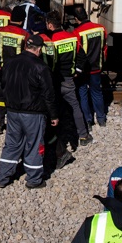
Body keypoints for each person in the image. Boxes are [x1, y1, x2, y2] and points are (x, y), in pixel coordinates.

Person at [0, 34, 58, 190]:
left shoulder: (9, 63)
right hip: (34, 113)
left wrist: (1, 113)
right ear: (39, 49)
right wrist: (54, 115)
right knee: (35, 145)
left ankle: (3, 177)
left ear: (25, 46)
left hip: (13, 111)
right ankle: (34, 179)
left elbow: (3, 86)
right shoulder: (41, 67)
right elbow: (49, 94)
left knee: (12, 144)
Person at [48, 11, 91, 151]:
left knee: (53, 107)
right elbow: (82, 56)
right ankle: (84, 135)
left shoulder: (51, 41)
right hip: (69, 79)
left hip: (55, 80)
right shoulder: (72, 37)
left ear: (50, 25)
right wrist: (78, 71)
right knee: (75, 106)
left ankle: (54, 137)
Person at [0, 6, 29, 134]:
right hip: (19, 72)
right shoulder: (24, 34)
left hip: (3, 69)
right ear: (22, 20)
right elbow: (28, 54)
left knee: (1, 96)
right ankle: (17, 125)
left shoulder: (0, 31)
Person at [71, 4, 108, 128]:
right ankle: (101, 119)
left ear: (76, 18)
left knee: (82, 93)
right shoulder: (100, 28)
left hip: (83, 70)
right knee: (97, 92)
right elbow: (104, 47)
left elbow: (77, 52)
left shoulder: (77, 33)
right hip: (97, 67)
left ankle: (88, 120)